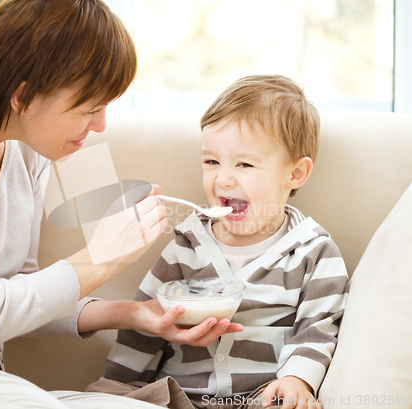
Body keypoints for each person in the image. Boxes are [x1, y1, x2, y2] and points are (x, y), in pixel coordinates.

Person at [0, 1, 241, 408]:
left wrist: (134, 314)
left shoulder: (25, 143)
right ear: (24, 95)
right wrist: (100, 259)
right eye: (90, 108)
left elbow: (19, 296)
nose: (101, 124)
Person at [87, 75, 349, 409]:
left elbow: (318, 331)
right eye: (212, 162)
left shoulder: (314, 253)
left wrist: (296, 381)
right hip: (177, 398)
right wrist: (115, 386)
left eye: (244, 164)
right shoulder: (186, 247)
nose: (222, 178)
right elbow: (144, 328)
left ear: (295, 174)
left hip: (261, 398)